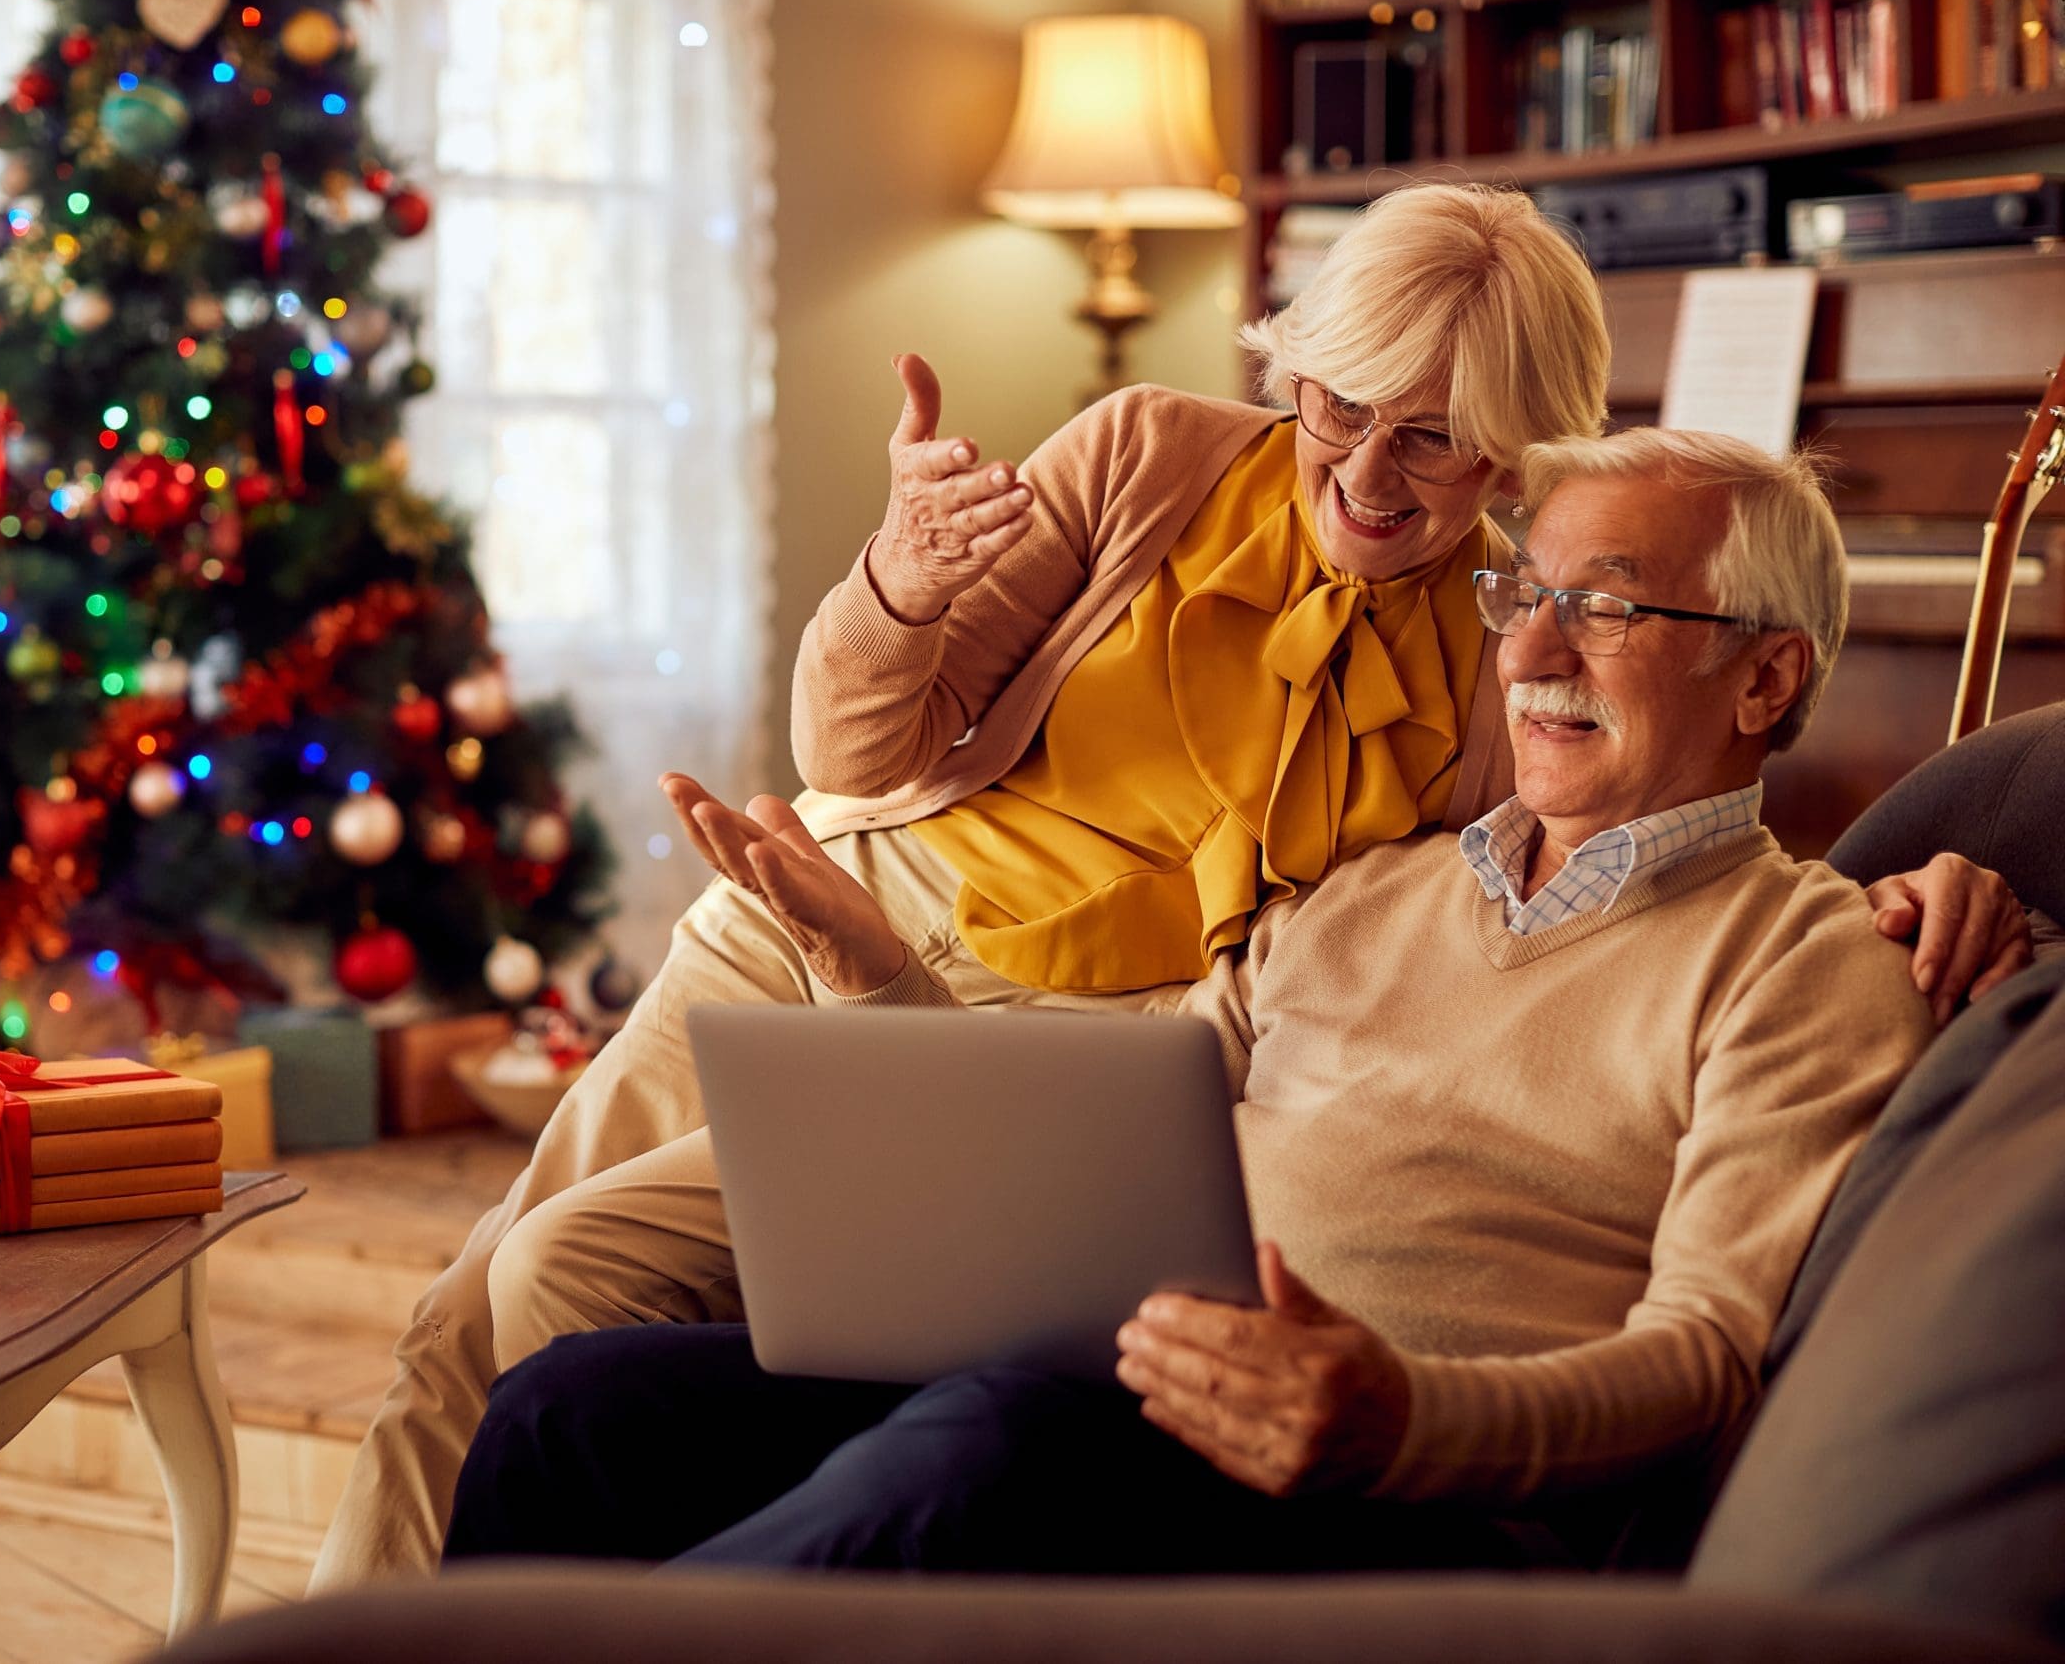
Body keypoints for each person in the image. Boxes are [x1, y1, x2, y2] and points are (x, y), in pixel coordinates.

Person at [310, 186, 2029, 1587]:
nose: (1365, 476)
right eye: (1339, 408)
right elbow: (857, 740)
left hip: (1137, 1146)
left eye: (1434, 446)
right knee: (533, 1337)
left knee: (954, 1434)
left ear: (1509, 456)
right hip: (860, 920)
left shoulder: (1701, 880)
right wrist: (902, 591)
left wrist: (1924, 875)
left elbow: (1681, 882)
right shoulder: (1197, 542)